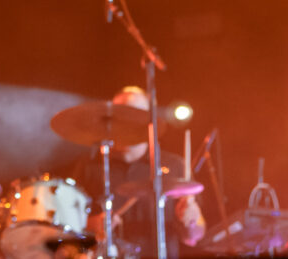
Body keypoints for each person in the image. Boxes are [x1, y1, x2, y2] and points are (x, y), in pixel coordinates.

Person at [71, 87, 205, 258]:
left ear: (150, 122)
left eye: (135, 115)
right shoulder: (90, 166)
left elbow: (193, 238)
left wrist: (191, 222)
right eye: (121, 115)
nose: (128, 121)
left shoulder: (174, 165)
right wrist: (91, 225)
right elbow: (67, 227)